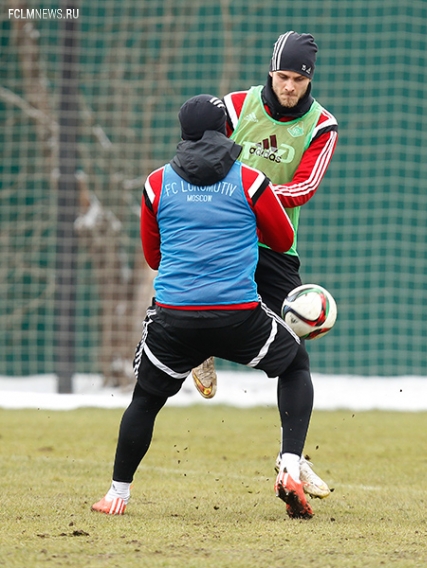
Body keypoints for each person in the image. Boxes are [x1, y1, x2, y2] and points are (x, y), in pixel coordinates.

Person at [91, 94, 316, 519]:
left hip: (173, 317)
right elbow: (283, 242)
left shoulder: (155, 183)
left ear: (183, 135)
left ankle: (117, 494)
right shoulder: (250, 180)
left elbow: (154, 258)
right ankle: (289, 467)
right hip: (238, 314)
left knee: (145, 400)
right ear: (227, 133)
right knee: (295, 364)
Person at [191, 31, 338, 499]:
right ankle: (199, 348)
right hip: (224, 235)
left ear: (309, 79)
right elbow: (198, 155)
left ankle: (291, 461)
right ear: (269, 73)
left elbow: (304, 187)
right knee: (188, 309)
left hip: (276, 245)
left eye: (297, 78)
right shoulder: (236, 108)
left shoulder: (321, 126)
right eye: (281, 76)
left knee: (295, 353)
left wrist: (253, 199)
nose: (288, 86)